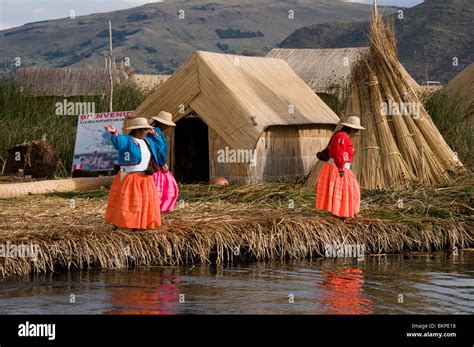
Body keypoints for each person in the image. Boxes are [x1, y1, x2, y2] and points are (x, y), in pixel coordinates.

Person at [104, 117, 161, 230]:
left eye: (147, 129)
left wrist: (154, 134)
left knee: (142, 203)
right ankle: (120, 223)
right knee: (127, 203)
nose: (146, 131)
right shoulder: (127, 139)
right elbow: (118, 143)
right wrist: (114, 133)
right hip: (129, 177)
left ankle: (140, 224)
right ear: (137, 130)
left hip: (144, 178)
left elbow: (160, 147)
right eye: (145, 129)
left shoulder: (148, 141)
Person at [316, 116, 365, 218]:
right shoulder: (341, 136)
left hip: (341, 166)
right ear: (352, 129)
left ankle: (346, 212)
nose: (355, 132)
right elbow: (339, 152)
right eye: (356, 130)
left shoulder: (344, 136)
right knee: (344, 191)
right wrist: (341, 168)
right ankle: (340, 213)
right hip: (337, 167)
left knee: (352, 189)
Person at [147, 111, 179, 213]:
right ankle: (159, 208)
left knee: (160, 187)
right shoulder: (156, 132)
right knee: (169, 187)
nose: (168, 127)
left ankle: (157, 208)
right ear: (163, 123)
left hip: (154, 163)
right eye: (167, 125)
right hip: (157, 164)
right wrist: (162, 163)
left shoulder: (153, 131)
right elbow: (158, 148)